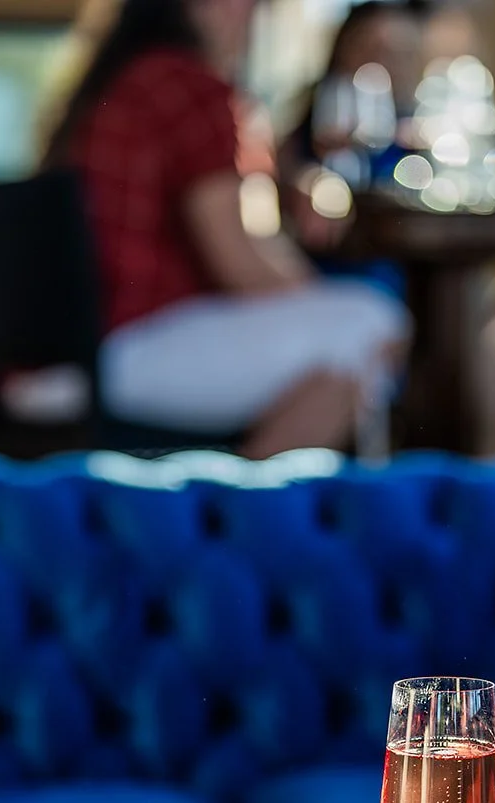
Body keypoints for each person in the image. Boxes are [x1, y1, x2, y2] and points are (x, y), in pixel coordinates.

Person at [40, 0, 411, 459]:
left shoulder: (123, 77)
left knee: (340, 376)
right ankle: (230, 518)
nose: (253, 11)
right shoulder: (184, 84)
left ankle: (231, 509)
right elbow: (239, 264)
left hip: (74, 346)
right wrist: (313, 289)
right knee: (374, 322)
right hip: (127, 345)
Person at [276, 1, 429, 293]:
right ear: (343, 49)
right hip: (332, 264)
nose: (385, 65)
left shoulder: (417, 131)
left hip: (404, 266)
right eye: (373, 49)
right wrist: (305, 180)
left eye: (401, 54)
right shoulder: (320, 118)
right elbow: (283, 171)